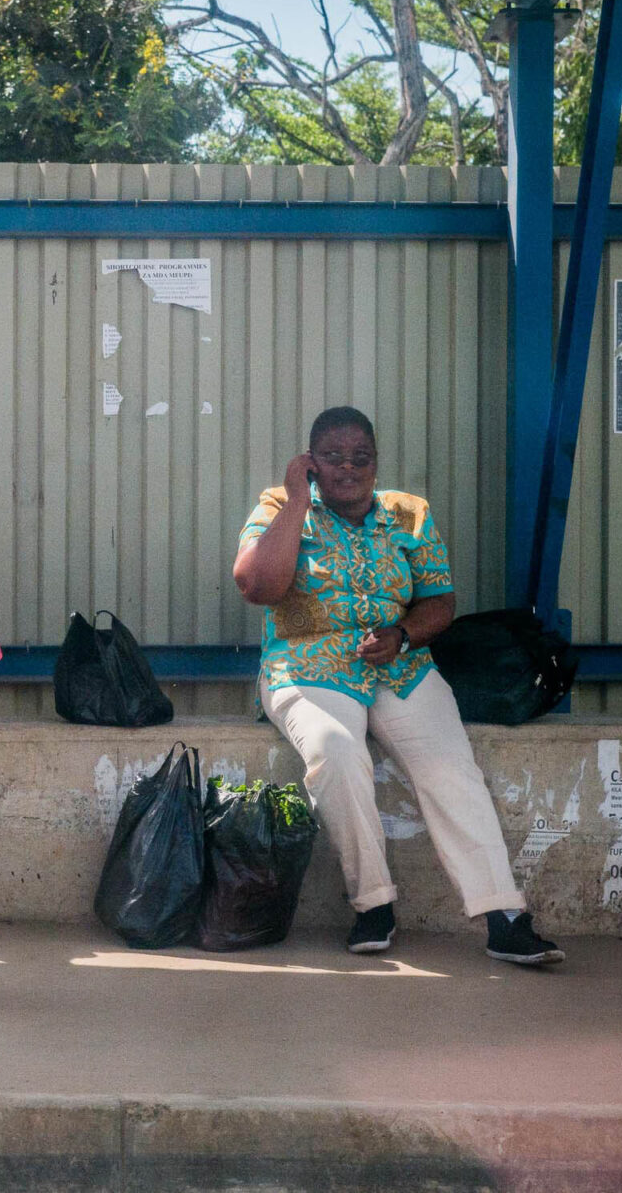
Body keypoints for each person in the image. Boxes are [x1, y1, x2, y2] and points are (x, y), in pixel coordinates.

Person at [232, 406, 564, 966]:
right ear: (311, 462)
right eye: (333, 457)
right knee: (336, 752)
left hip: (400, 666)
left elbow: (440, 601)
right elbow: (257, 586)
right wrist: (297, 500)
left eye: (360, 457)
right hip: (308, 665)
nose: (348, 467)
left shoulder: (410, 514)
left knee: (449, 766)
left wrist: (404, 634)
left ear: (376, 462)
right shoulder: (278, 506)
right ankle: (373, 903)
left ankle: (503, 916)